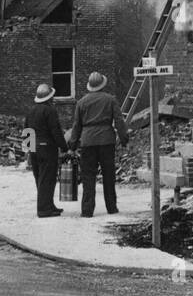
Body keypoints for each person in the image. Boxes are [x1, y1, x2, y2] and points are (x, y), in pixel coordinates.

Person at [68, 71, 129, 217]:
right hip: (106, 140)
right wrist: (124, 138)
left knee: (88, 176)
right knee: (109, 175)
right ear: (103, 84)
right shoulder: (110, 99)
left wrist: (72, 145)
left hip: (87, 141)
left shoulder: (81, 102)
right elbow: (119, 121)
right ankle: (111, 207)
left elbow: (76, 126)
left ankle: (87, 210)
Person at [24, 83, 66, 217]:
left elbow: (27, 131)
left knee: (40, 178)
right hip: (47, 149)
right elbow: (56, 131)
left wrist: (28, 151)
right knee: (48, 179)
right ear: (49, 98)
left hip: (34, 149)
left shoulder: (31, 111)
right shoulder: (50, 111)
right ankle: (44, 209)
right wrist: (64, 147)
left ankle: (49, 205)